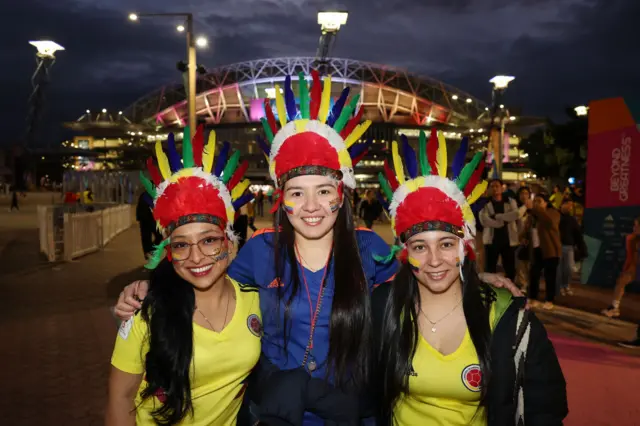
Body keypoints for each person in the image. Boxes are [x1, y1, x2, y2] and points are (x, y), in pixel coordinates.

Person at [113, 73, 521, 425]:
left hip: (351, 414)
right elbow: (203, 275)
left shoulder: (371, 250)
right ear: (280, 199)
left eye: (323, 191)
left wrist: (478, 275)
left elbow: (426, 276)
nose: (310, 207)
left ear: (341, 195)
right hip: (276, 415)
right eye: (297, 193)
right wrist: (151, 288)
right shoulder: (258, 252)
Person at [371, 135, 567, 425]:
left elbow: (546, 409)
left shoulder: (509, 319)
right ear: (404, 253)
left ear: (466, 247)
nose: (434, 260)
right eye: (420, 247)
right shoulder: (383, 308)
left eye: (447, 244)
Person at [106, 127, 260, 425]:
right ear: (169, 252)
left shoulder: (256, 300)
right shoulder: (144, 310)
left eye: (209, 240)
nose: (196, 256)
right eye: (181, 245)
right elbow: (120, 398)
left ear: (229, 243)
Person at [479, 179, 526, 282]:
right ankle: (489, 292)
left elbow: (515, 215)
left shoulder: (510, 201)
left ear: (502, 188)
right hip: (491, 240)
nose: (495, 188)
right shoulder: (486, 203)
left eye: (497, 186)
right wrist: (501, 222)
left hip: (508, 240)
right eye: (492, 186)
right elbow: (484, 220)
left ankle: (510, 291)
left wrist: (497, 216)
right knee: (490, 268)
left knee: (510, 269)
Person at [525, 193, 562, 309]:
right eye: (534, 201)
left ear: (546, 203)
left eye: (539, 201)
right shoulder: (533, 215)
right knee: (533, 275)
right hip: (536, 249)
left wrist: (536, 210)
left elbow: (550, 224)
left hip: (550, 250)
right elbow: (527, 230)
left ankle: (549, 299)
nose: (536, 203)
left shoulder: (553, 213)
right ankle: (533, 298)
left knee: (550, 276)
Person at [602, 216, 640, 318]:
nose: (634, 228)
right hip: (634, 269)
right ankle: (614, 308)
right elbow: (631, 257)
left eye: (637, 226)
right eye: (634, 226)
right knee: (621, 281)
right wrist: (627, 268)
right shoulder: (631, 239)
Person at [557, 198, 586, 296]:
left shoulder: (572, 219)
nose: (570, 207)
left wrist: (581, 247)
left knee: (568, 268)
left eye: (571, 205)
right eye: (568, 205)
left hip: (569, 246)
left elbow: (577, 234)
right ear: (562, 205)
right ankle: (560, 286)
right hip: (558, 245)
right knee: (559, 268)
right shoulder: (556, 216)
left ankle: (566, 285)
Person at [136, 191, 162, 260]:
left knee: (147, 238)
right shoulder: (150, 195)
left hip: (145, 219)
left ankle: (149, 252)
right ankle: (150, 251)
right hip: (149, 219)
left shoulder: (145, 195)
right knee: (157, 236)